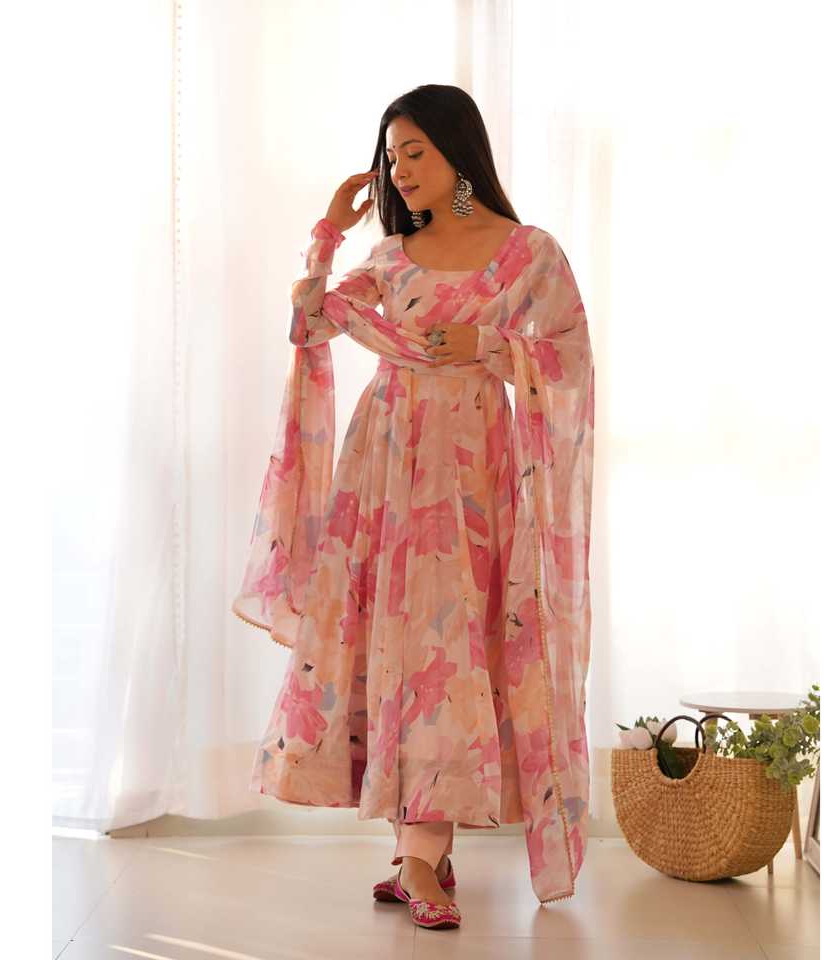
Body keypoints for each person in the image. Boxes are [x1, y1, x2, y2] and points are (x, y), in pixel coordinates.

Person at [232, 84, 595, 926]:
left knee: (459, 645)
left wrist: (489, 344)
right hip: (388, 463)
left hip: (477, 471)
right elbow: (312, 324)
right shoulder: (392, 258)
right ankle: (421, 858)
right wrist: (327, 233)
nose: (399, 169)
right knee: (400, 642)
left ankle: (422, 855)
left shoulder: (528, 254)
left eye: (415, 151)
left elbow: (571, 358)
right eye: (392, 155)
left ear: (458, 150)